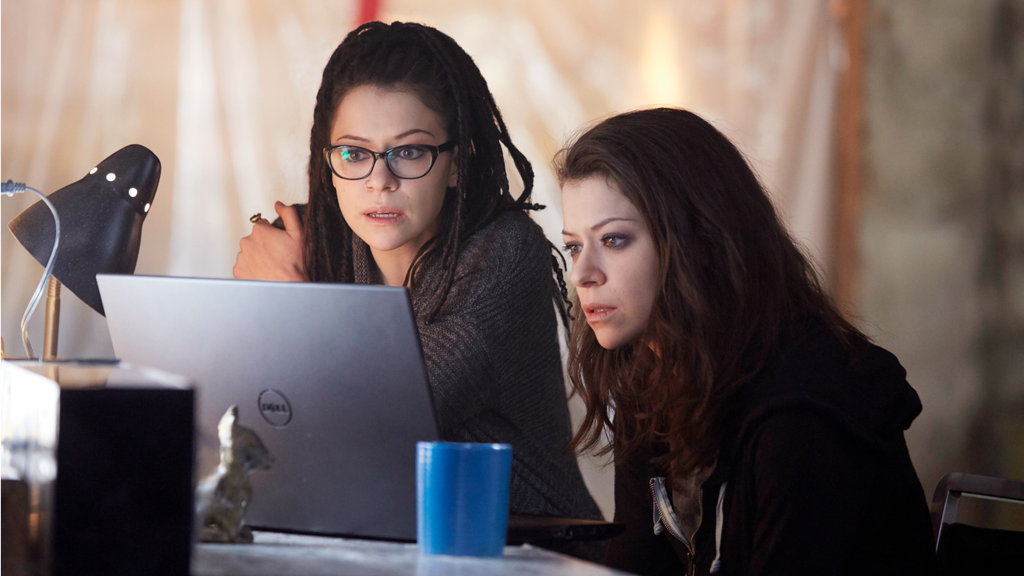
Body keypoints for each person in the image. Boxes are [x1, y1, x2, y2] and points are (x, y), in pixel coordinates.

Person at [233, 21, 599, 523]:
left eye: (408, 152)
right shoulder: (313, 244)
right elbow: (255, 424)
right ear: (328, 163)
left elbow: (380, 418)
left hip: (526, 544)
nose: (379, 181)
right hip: (373, 536)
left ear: (456, 164)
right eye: (354, 153)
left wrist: (290, 299)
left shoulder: (504, 253)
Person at [556, 108, 937, 575]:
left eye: (613, 240)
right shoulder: (652, 380)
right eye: (574, 246)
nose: (582, 274)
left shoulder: (801, 412)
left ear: (698, 239)